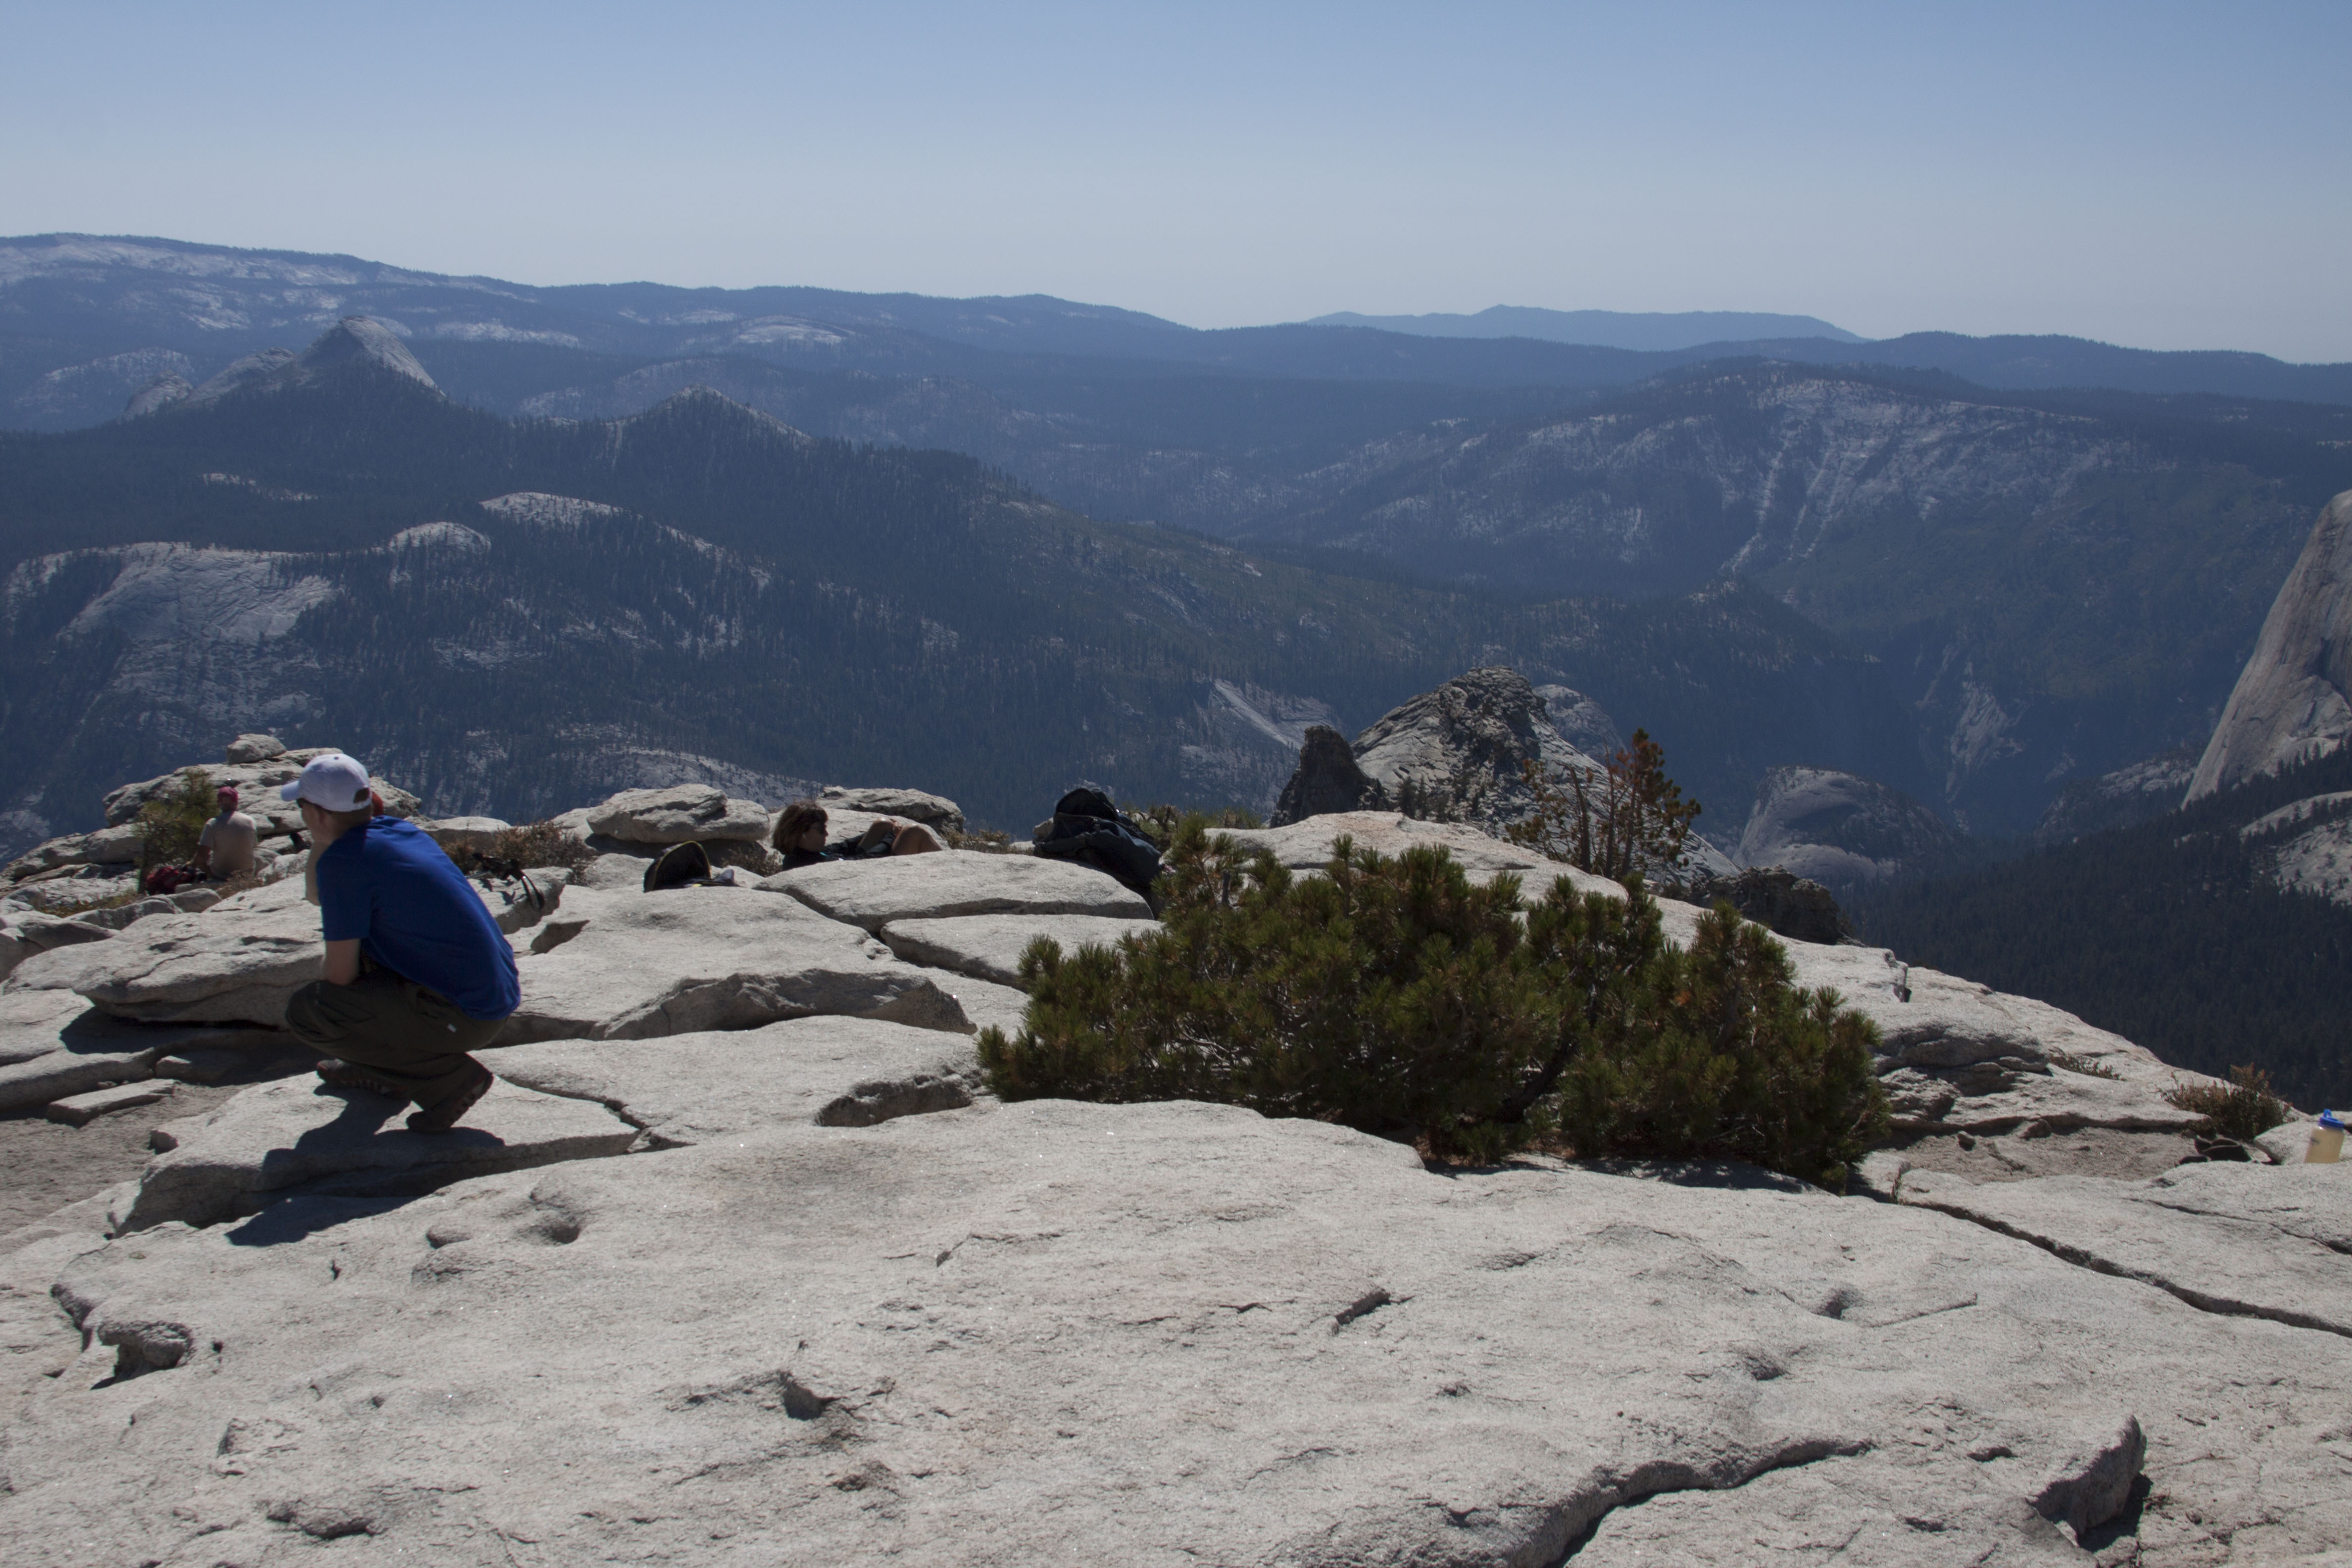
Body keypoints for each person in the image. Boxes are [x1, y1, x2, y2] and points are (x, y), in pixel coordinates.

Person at [279, 753, 518, 1134]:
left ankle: (449, 1080)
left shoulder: (346, 863)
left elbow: (339, 977)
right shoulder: (400, 831)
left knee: (311, 1011)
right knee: (366, 954)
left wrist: (349, 1022)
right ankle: (380, 1069)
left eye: (302, 806)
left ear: (320, 814)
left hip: (463, 1016)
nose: (301, 815)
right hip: (491, 997)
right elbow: (317, 895)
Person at [772, 800, 944, 870]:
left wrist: (884, 832)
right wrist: (892, 836)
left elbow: (841, 848)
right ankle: (949, 870)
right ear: (802, 833)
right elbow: (862, 862)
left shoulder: (804, 853)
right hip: (870, 877)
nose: (827, 833)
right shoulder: (812, 864)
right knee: (913, 832)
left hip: (859, 869)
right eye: (821, 830)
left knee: (882, 824)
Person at [193, 784, 259, 880]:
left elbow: (202, 856)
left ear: (218, 803)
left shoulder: (212, 824)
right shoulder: (250, 821)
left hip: (221, 876)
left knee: (201, 856)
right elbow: (254, 846)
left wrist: (191, 866)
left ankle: (212, 878)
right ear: (236, 802)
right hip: (247, 875)